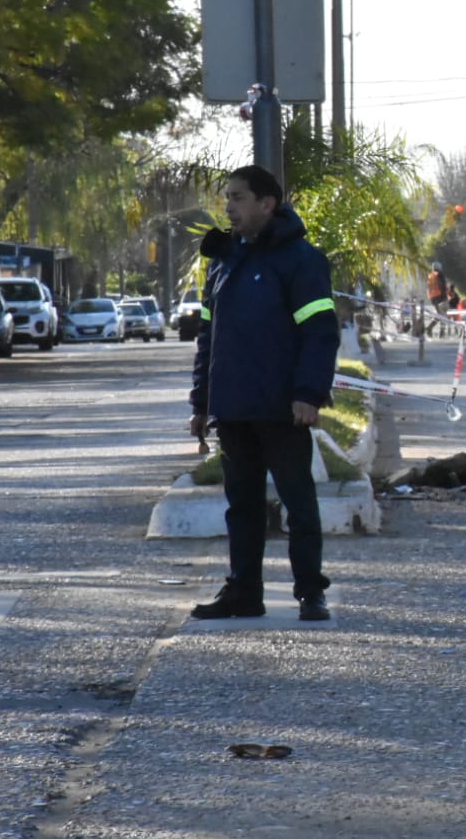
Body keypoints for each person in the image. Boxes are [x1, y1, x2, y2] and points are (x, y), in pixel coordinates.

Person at [188, 165, 341, 623]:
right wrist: (201, 402)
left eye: (238, 198)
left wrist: (308, 393)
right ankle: (243, 593)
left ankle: (310, 592)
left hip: (283, 408)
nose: (229, 207)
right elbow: (207, 339)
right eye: (228, 198)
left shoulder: (301, 260)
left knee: (299, 503)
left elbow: (320, 332)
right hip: (233, 408)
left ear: (266, 204)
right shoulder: (223, 260)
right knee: (243, 507)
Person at [426, 262, 446, 334]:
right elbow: (442, 286)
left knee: (439, 314)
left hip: (432, 298)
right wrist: (445, 297)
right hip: (440, 297)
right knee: (442, 315)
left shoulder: (430, 275)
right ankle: (437, 330)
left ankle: (431, 328)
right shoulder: (440, 275)